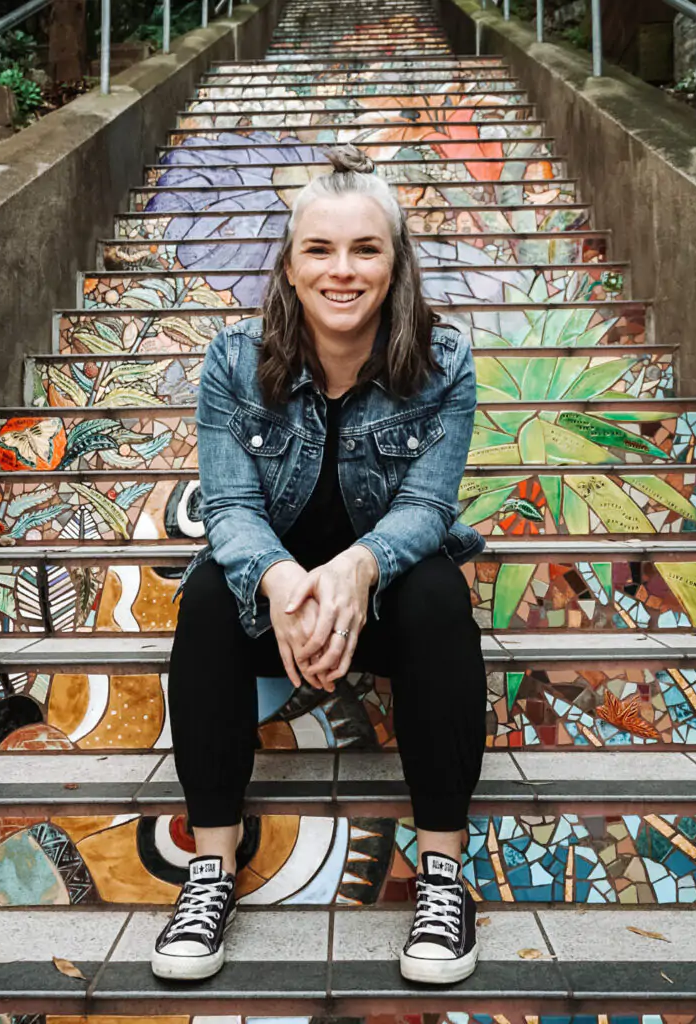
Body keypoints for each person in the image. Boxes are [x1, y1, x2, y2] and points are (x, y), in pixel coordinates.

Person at [151, 145, 487, 986]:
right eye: (320, 250)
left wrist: (356, 569)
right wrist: (283, 582)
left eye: (365, 249)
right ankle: (211, 869)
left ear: (395, 264)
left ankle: (443, 874)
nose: (343, 270)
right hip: (277, 607)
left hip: (384, 609)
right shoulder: (232, 360)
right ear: (290, 268)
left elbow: (426, 509)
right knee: (204, 602)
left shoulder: (444, 364)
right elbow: (229, 507)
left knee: (440, 598)